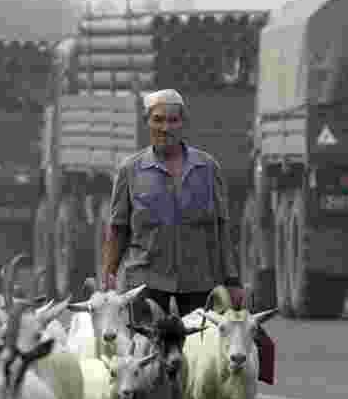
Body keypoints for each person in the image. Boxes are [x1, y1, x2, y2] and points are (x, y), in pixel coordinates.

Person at [101, 88, 245, 321]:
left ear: (183, 123)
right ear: (147, 122)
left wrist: (232, 281)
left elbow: (221, 229)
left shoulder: (207, 168)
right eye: (158, 120)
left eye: (173, 120)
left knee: (200, 352)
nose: (166, 128)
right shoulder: (131, 170)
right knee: (145, 352)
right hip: (145, 284)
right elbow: (118, 230)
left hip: (198, 284)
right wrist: (108, 276)